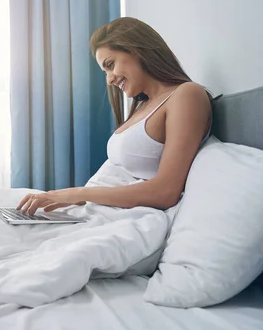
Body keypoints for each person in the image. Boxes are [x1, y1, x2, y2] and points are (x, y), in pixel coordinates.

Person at [17, 17, 212, 215]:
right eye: (105, 71)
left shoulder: (186, 95)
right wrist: (72, 198)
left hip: (117, 217)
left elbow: (165, 191)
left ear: (138, 51)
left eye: (110, 65)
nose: (109, 80)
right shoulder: (143, 106)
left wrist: (78, 193)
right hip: (92, 210)